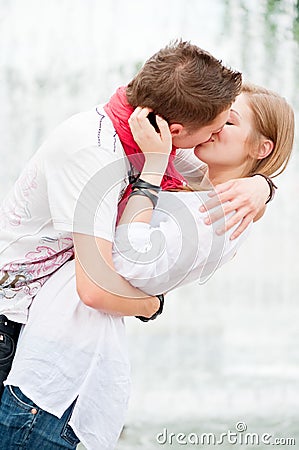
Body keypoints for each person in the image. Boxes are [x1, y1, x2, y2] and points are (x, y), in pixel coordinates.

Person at [0, 83, 294, 450]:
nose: (215, 126)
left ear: (260, 147)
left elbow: (118, 266)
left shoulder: (215, 217)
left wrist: (152, 173)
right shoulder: (207, 191)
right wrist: (263, 185)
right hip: (48, 360)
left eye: (228, 122)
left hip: (57, 379)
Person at [0, 40, 271, 391]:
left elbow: (218, 182)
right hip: (12, 323)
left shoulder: (146, 134)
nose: (217, 135)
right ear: (177, 131)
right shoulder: (95, 153)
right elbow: (96, 289)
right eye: (215, 128)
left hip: (39, 321)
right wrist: (150, 306)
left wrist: (262, 187)